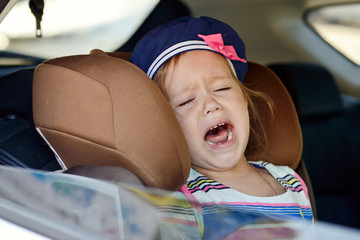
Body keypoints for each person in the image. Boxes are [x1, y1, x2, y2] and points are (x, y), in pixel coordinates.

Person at [130, 16, 313, 236]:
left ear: (245, 101)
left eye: (222, 89)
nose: (211, 105)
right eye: (187, 101)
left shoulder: (289, 180)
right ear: (167, 127)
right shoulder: (184, 200)